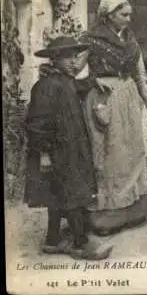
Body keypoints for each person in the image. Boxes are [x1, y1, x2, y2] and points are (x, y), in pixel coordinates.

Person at [25, 36, 113, 259]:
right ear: (54, 59)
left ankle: (52, 241)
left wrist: (94, 81)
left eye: (76, 56)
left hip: (69, 149)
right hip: (55, 151)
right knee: (72, 194)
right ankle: (80, 243)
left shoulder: (65, 81)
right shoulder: (45, 86)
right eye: (68, 57)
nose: (75, 62)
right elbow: (37, 124)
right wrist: (44, 153)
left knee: (56, 195)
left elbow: (79, 86)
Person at [80, 0, 147, 236]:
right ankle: (106, 217)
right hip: (103, 101)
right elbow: (75, 69)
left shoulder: (131, 43)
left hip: (129, 101)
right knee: (108, 156)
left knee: (132, 153)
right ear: (108, 15)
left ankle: (135, 211)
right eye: (124, 14)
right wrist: (93, 80)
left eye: (130, 14)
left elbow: (139, 75)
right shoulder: (89, 40)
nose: (128, 19)